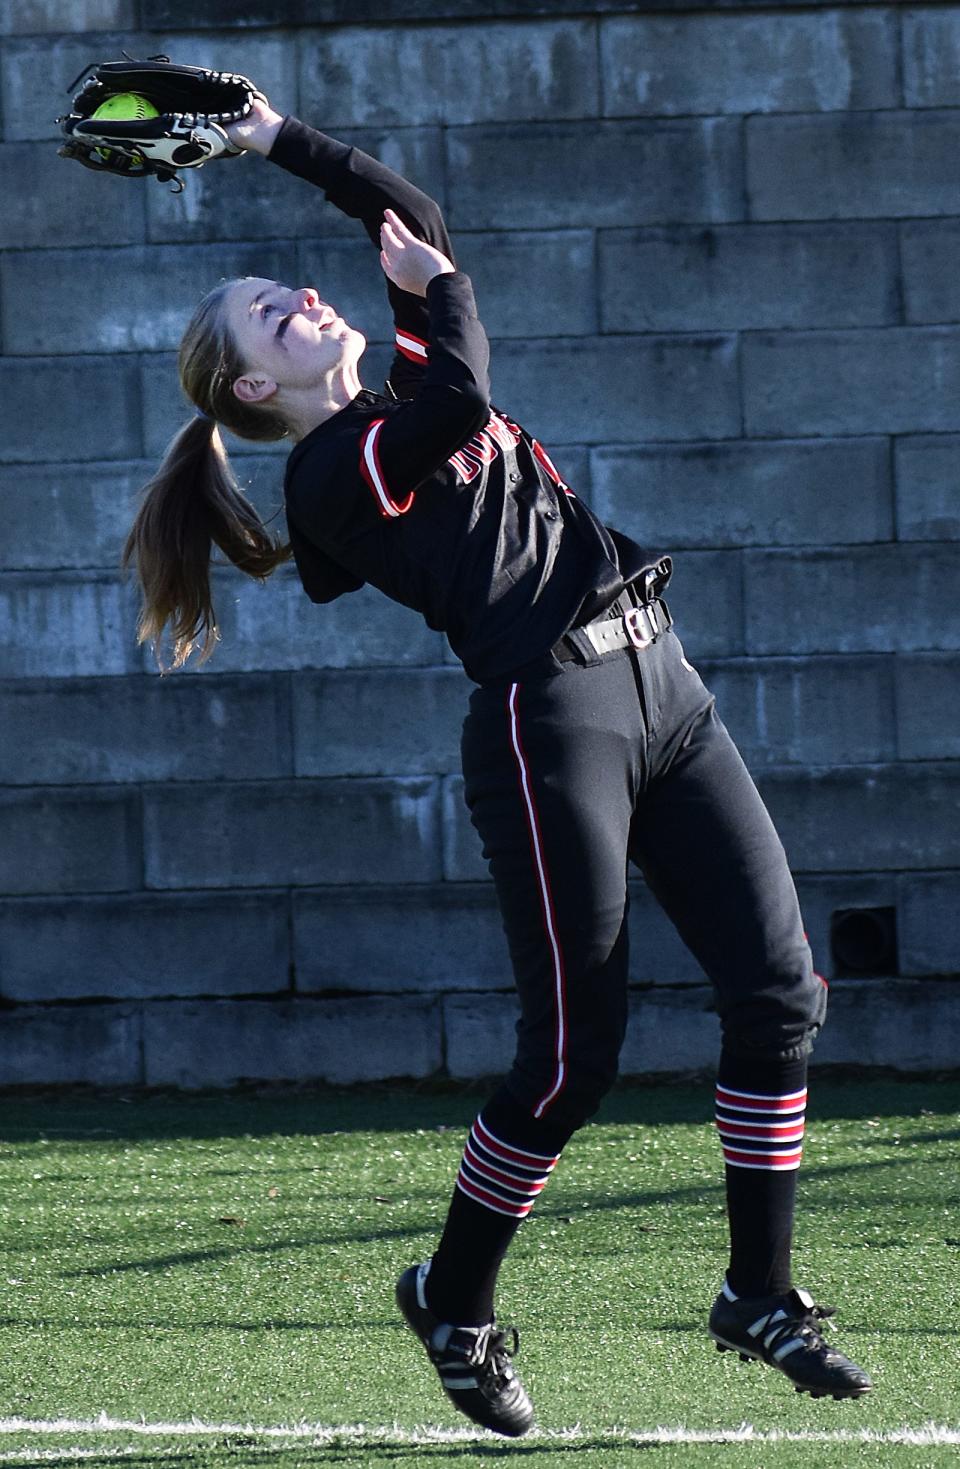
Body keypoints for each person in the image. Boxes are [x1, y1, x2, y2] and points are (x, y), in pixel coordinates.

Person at [123, 92, 873, 1436]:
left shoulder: (393, 404)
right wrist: (444, 280)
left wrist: (273, 135)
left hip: (663, 682)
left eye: (285, 284)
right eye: (267, 313)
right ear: (253, 388)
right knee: (571, 1057)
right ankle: (453, 1296)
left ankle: (758, 1289)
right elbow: (459, 362)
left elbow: (418, 234)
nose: (300, 294)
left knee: (779, 990)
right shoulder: (328, 480)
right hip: (551, 726)